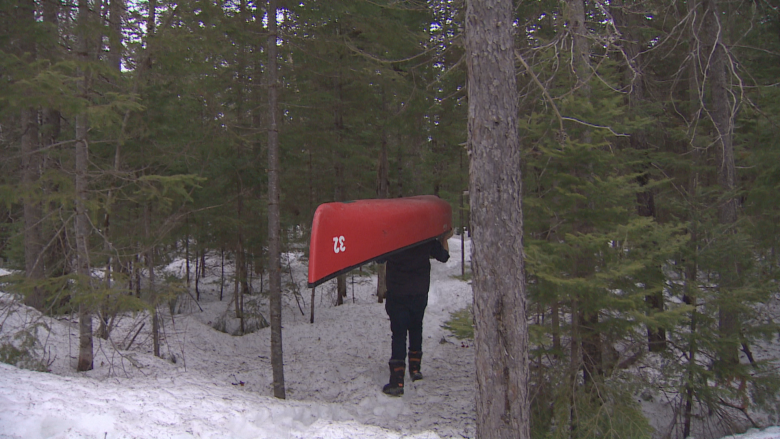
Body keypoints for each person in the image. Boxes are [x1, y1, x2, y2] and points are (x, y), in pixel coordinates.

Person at [378, 231, 451, 396]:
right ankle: (415, 369)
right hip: (419, 293)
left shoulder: (392, 239)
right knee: (416, 328)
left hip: (397, 293)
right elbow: (444, 256)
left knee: (399, 334)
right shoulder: (424, 237)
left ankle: (397, 380)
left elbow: (379, 259)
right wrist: (444, 238)